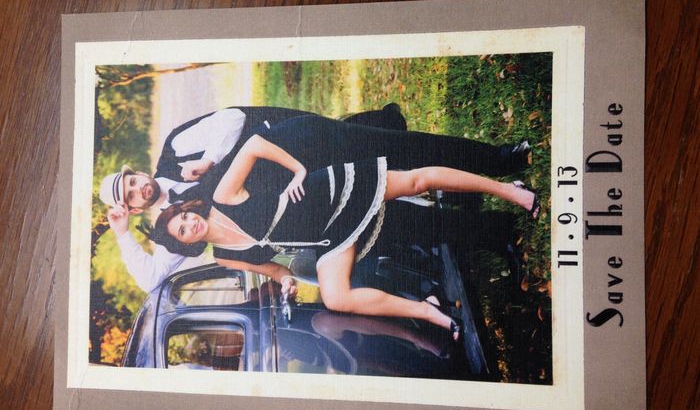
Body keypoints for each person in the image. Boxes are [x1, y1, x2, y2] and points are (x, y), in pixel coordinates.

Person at [101, 105, 532, 293]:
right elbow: (151, 279)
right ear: (134, 210)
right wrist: (121, 234)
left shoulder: (176, 148)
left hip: (301, 148)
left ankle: (500, 160)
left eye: (132, 181)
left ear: (136, 171)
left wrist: (209, 161)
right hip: (311, 209)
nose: (139, 190)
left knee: (403, 153)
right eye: (131, 198)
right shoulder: (175, 226)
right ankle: (497, 232)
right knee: (395, 225)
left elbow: (233, 120)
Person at [149, 134, 540, 340]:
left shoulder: (222, 197)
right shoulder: (224, 256)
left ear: (187, 209)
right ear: (186, 244)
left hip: (328, 194)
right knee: (336, 297)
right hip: (325, 237)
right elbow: (279, 272)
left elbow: (253, 145)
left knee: (415, 181)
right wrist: (286, 283)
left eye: (183, 217)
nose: (189, 224)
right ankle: (426, 310)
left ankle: (509, 191)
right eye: (182, 231)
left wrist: (298, 171)